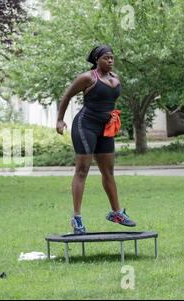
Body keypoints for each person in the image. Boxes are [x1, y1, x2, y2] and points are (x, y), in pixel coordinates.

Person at [56, 45, 136, 234]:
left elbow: (109, 100)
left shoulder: (115, 78)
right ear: (97, 60)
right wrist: (60, 119)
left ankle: (116, 212)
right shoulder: (88, 78)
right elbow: (67, 95)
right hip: (86, 125)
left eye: (112, 58)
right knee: (82, 170)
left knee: (108, 171)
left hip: (105, 128)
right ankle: (76, 218)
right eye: (106, 57)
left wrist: (111, 117)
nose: (110, 60)